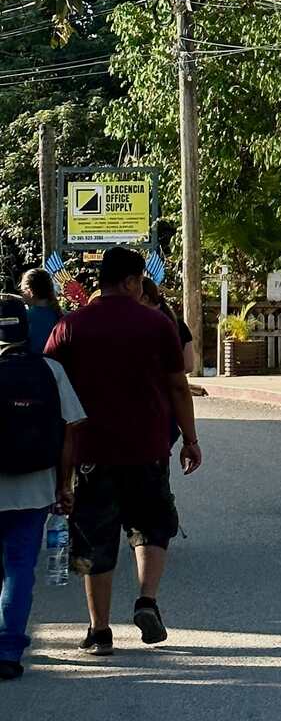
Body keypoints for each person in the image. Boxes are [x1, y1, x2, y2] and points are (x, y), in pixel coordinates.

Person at [44, 247, 203, 656]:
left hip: (89, 452)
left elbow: (49, 387)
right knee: (152, 526)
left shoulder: (70, 326)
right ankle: (147, 601)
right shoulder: (156, 324)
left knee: (92, 541)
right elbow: (177, 386)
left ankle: (99, 632)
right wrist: (190, 438)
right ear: (132, 281)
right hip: (148, 448)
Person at [0, 293, 84, 680]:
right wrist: (63, 485)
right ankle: (9, 648)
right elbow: (69, 432)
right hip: (34, 488)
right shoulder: (50, 370)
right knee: (19, 566)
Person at [140, 278, 195, 376]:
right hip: (172, 385)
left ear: (145, 299)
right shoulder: (178, 324)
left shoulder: (142, 325)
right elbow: (189, 365)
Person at [18, 269, 61, 358]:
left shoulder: (25, 317)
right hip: (57, 369)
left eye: (22, 291)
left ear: (30, 291)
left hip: (34, 368)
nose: (22, 295)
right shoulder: (62, 315)